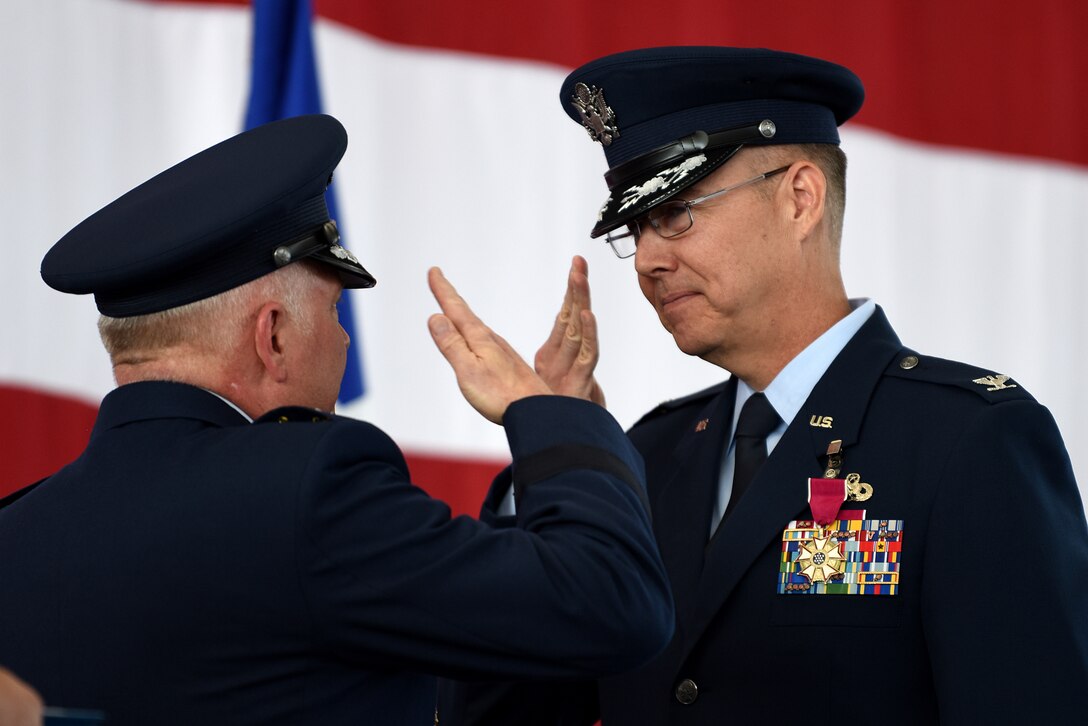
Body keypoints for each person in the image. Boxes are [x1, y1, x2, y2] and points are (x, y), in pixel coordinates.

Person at [438, 47, 1088, 724]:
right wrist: (555, 453)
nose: (652, 260)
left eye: (678, 211)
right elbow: (504, 711)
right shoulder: (642, 460)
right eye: (637, 229)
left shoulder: (968, 441)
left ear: (799, 198)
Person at [0, 114, 675, 726]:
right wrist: (554, 418)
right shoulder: (305, 492)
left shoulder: (16, 532)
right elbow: (611, 606)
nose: (345, 342)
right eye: (332, 313)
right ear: (273, 336)